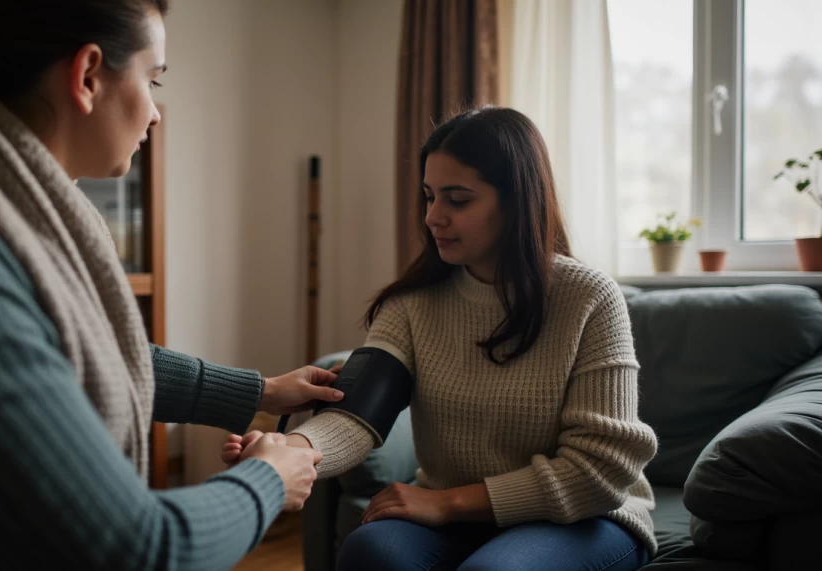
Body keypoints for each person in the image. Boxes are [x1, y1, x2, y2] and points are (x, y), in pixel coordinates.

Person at [0, 1, 342, 570]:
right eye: (152, 79)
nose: (156, 113)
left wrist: (260, 392)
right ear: (88, 74)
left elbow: (71, 354)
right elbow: (129, 550)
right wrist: (268, 479)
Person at [223, 107, 660, 570]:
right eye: (429, 196)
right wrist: (286, 452)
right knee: (369, 551)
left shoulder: (589, 298)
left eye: (458, 200)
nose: (433, 217)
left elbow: (601, 470)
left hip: (581, 518)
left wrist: (449, 503)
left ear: (518, 201)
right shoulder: (411, 303)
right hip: (455, 516)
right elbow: (355, 417)